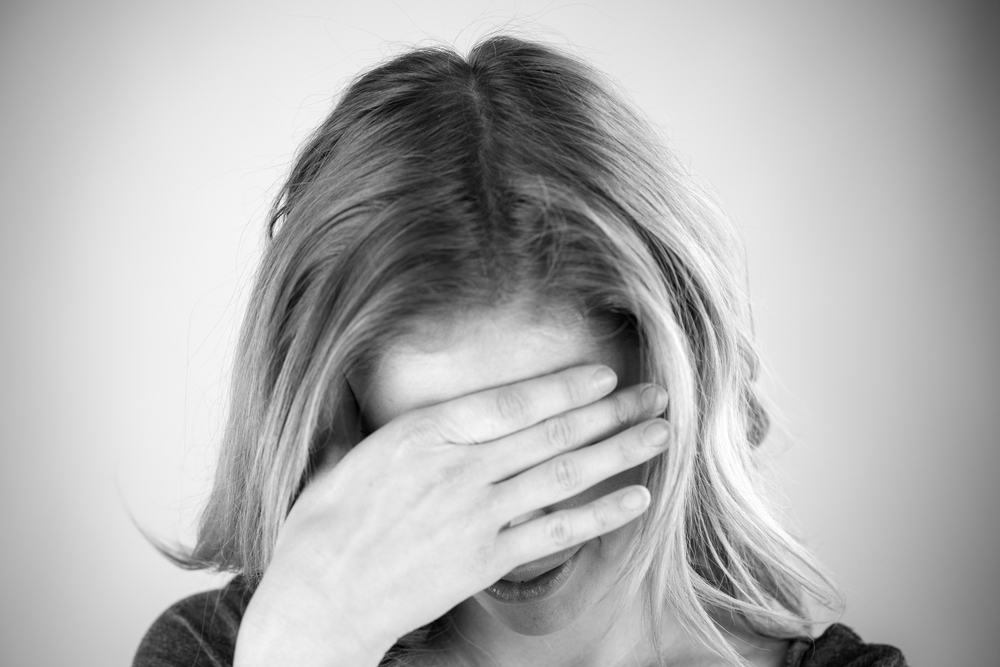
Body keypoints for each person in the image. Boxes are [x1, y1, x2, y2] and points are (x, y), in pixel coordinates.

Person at [133, 34, 907, 667]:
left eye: (562, 435)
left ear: (678, 373)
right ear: (344, 428)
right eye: (451, 451)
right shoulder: (223, 652)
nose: (522, 519)